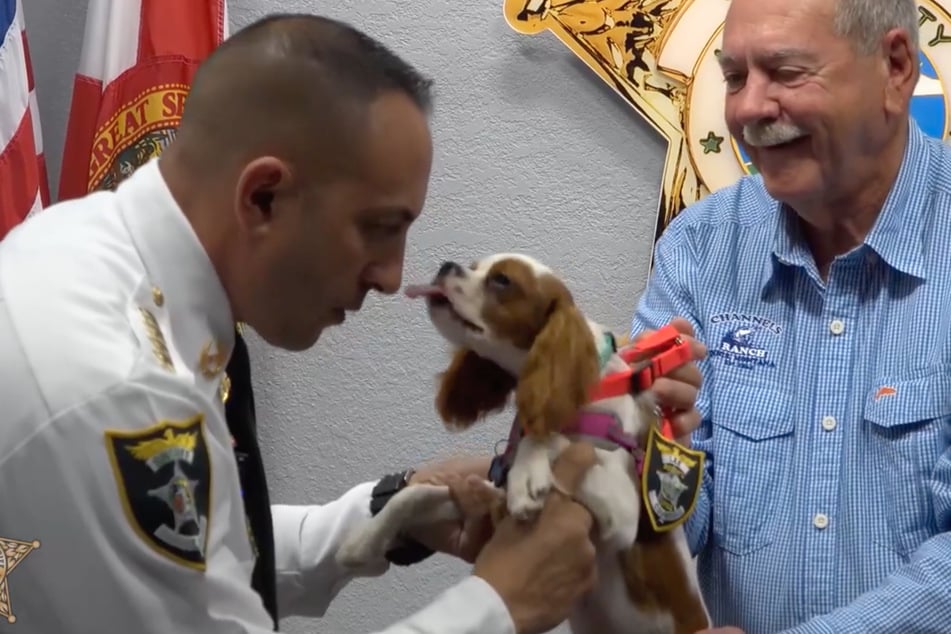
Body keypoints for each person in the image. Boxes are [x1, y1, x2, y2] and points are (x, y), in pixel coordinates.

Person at [0, 12, 705, 634]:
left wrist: (393, 512)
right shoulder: (120, 389)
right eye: (378, 229)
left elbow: (191, 557)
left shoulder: (93, 251)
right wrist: (500, 605)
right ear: (265, 196)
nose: (394, 277)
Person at [631, 0, 951, 632]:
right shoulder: (698, 250)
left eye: (785, 72)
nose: (748, 108)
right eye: (734, 77)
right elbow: (669, 527)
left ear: (894, 67)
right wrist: (641, 444)